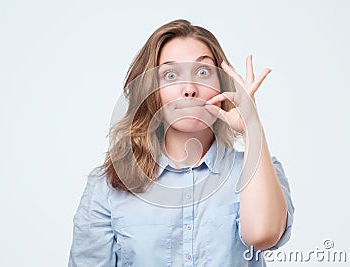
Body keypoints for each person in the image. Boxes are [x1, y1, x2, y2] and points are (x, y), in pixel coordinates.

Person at [68, 19, 294, 267]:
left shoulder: (257, 169)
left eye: (203, 72)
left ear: (222, 84)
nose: (189, 89)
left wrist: (252, 125)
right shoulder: (107, 186)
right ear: (151, 90)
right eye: (171, 75)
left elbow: (263, 236)